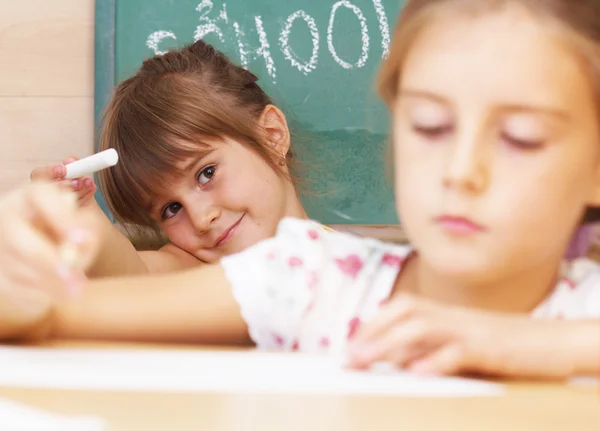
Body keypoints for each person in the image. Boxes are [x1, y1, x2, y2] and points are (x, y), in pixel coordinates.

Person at [2, 0, 599, 379]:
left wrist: (542, 346)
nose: (460, 170)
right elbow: (52, 312)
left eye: (521, 137)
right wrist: (28, 256)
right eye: (430, 126)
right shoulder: (306, 276)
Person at [29, 39, 307, 278]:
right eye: (171, 209)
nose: (201, 219)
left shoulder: (345, 263)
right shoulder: (197, 270)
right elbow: (134, 277)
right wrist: (80, 215)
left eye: (206, 173)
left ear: (272, 135)